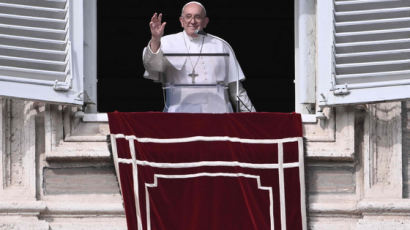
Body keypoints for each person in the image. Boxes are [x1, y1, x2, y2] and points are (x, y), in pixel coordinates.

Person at [143, 1, 256, 113]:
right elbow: (153, 67)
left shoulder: (221, 45)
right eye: (188, 17)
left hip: (220, 116)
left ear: (205, 22)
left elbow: (236, 90)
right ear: (181, 21)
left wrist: (253, 117)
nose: (193, 21)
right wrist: (155, 39)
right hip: (180, 116)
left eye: (198, 17)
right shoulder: (166, 42)